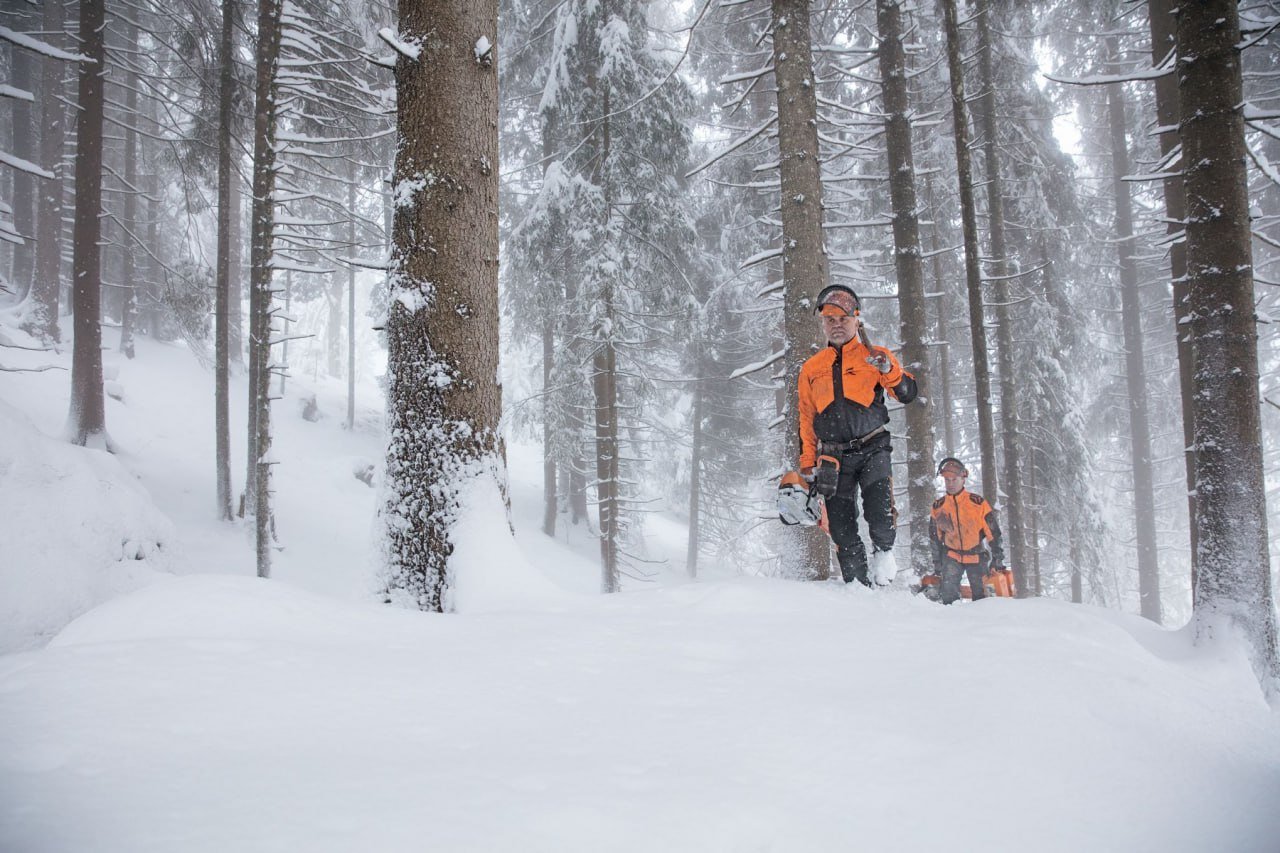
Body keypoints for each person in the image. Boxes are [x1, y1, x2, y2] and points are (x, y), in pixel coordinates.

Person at [798, 284, 917, 586]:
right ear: (823, 323)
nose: (837, 325)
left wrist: (888, 370)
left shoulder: (876, 356)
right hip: (832, 457)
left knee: (879, 514)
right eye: (830, 320)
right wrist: (807, 462)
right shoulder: (811, 368)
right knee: (841, 529)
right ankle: (858, 587)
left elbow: (907, 393)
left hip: (873, 447)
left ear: (856, 319)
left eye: (843, 319)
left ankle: (884, 554)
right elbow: (806, 417)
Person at [928, 456, 1005, 604]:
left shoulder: (978, 503)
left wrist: (997, 558)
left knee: (982, 598)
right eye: (947, 480)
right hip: (951, 555)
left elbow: (993, 533)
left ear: (963, 479)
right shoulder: (939, 507)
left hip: (976, 555)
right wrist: (937, 562)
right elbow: (934, 537)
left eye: (954, 480)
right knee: (948, 597)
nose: (950, 484)